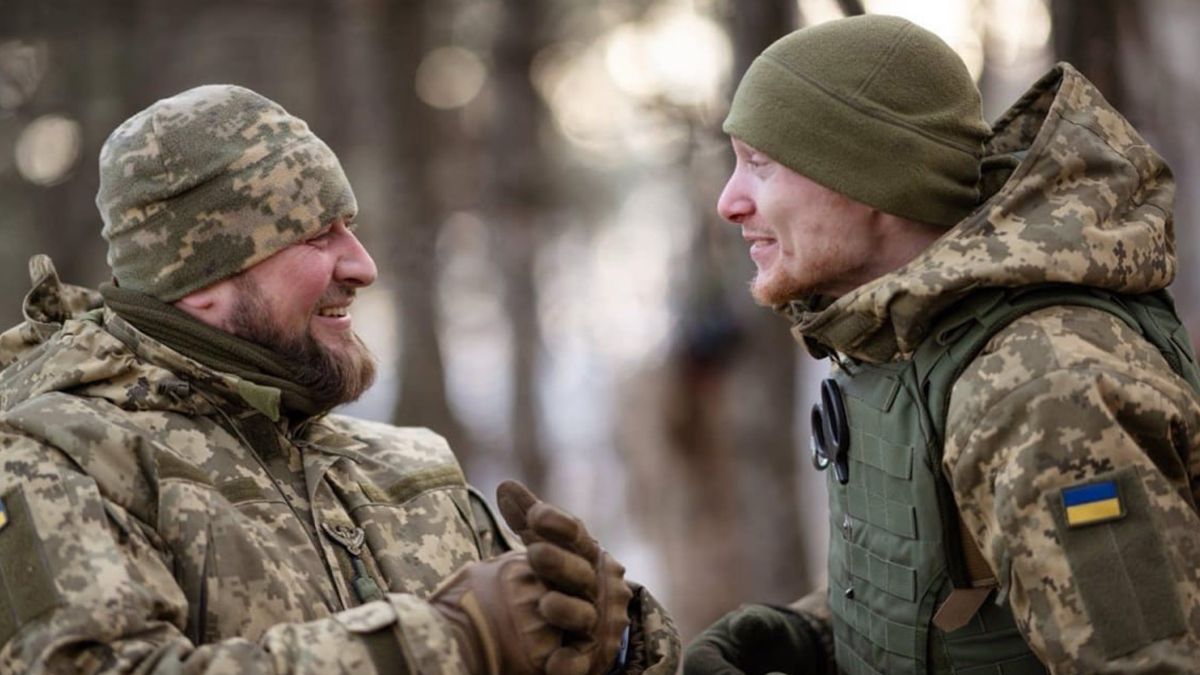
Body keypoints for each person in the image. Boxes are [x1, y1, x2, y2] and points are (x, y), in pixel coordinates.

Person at [0, 85, 679, 674]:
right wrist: (449, 642)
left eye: (349, 226)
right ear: (199, 276)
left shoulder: (408, 469)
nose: (361, 264)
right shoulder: (56, 459)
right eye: (316, 235)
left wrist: (610, 640)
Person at [684, 14, 1200, 675]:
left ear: (871, 177)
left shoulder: (1041, 387)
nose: (729, 201)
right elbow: (970, 600)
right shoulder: (906, 337)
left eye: (760, 163)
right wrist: (810, 635)